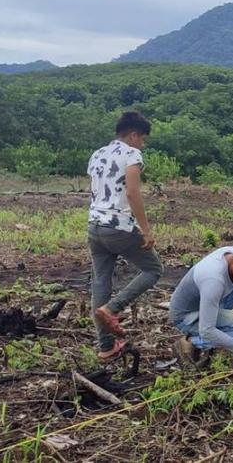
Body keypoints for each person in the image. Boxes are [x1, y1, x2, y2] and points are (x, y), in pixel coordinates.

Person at [86, 111, 162, 361]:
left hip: (94, 226)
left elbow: (98, 192)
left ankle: (106, 347)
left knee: (100, 283)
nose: (143, 143)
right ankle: (113, 308)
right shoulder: (132, 154)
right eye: (143, 138)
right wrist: (146, 230)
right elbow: (132, 193)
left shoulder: (97, 154)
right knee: (153, 269)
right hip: (118, 226)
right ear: (133, 134)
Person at [170, 244, 233, 365]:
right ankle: (192, 342)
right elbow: (207, 330)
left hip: (210, 302)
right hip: (187, 317)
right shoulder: (213, 281)